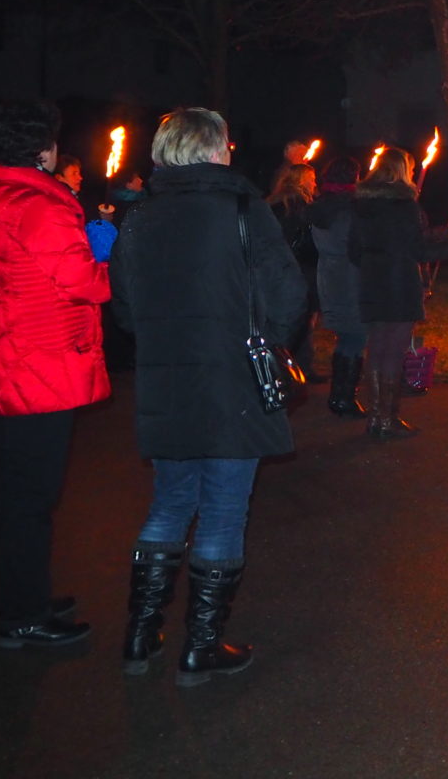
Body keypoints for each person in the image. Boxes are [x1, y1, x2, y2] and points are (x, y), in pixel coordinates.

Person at [109, 107, 305, 684]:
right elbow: (289, 293)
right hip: (231, 379)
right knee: (222, 509)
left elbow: (124, 308)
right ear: (215, 149)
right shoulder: (244, 209)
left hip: (167, 376)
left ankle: (140, 637)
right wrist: (265, 337)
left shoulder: (138, 216)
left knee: (170, 501)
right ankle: (201, 646)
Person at [0, 100, 109, 649]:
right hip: (40, 365)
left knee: (14, 491)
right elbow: (84, 283)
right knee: (32, 496)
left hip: (1, 354)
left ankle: (23, 595)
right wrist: (102, 248)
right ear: (44, 149)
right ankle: (24, 615)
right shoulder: (40, 204)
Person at [348, 147, 448, 441]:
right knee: (392, 352)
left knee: (377, 349)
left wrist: (447, 233)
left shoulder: (360, 205)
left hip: (372, 284)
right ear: (400, 171)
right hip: (400, 286)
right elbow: (417, 250)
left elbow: (355, 251)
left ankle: (375, 419)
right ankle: (387, 419)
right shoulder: (404, 206)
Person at [309, 155, 367, 417]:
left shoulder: (321, 206)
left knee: (346, 335)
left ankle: (340, 394)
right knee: (354, 335)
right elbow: (356, 246)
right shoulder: (350, 209)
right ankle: (343, 397)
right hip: (350, 275)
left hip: (329, 274)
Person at [266, 162, 321, 383]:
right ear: (301, 180)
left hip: (274, 270)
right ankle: (299, 369)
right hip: (300, 270)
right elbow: (308, 242)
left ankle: (282, 366)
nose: (315, 183)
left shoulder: (271, 204)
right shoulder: (300, 206)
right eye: (312, 178)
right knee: (303, 320)